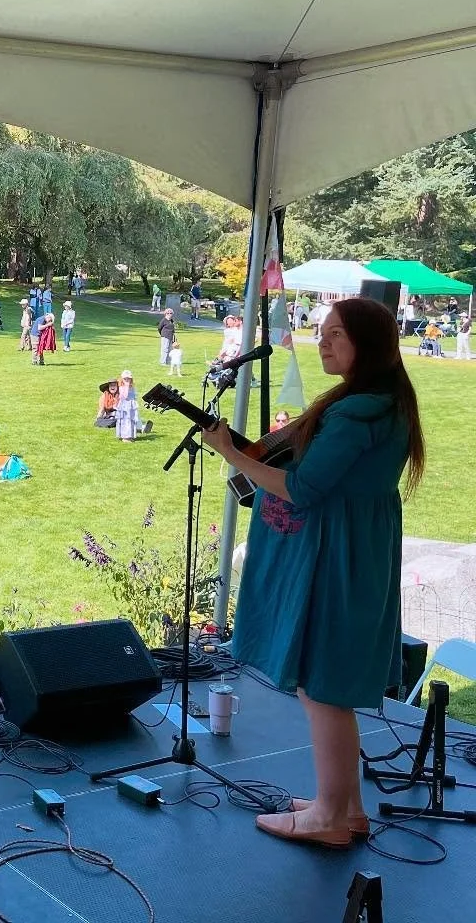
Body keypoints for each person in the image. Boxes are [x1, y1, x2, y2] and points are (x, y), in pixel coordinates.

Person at [201, 299, 424, 848]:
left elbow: (303, 487)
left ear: (366, 346)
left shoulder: (356, 412)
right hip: (357, 547)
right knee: (327, 687)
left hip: (336, 553)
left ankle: (328, 815)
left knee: (321, 687)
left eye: (336, 336)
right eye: (321, 333)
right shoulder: (385, 401)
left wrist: (233, 454)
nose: (323, 343)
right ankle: (346, 807)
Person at [114, 370, 143, 441]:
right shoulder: (121, 388)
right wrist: (126, 386)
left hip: (131, 406)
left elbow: (134, 396)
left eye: (128, 378)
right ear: (122, 379)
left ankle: (130, 435)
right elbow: (124, 396)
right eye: (125, 379)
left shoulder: (132, 387)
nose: (127, 380)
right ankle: (125, 437)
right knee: (125, 421)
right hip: (124, 407)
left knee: (132, 420)